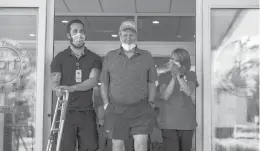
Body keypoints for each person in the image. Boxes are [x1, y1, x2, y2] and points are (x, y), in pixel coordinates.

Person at [100, 20, 158, 151]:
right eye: (125, 34)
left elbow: (151, 82)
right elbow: (104, 82)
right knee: (117, 145)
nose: (128, 38)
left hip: (141, 109)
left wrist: (151, 103)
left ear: (136, 36)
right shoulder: (110, 56)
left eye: (131, 35)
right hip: (116, 109)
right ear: (119, 35)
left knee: (141, 144)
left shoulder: (146, 56)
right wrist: (105, 103)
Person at [50, 19, 102, 151]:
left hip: (87, 112)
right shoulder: (60, 58)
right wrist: (57, 89)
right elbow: (55, 82)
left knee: (90, 148)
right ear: (69, 35)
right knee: (65, 148)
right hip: (66, 113)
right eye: (75, 31)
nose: (79, 34)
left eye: (82, 31)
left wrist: (71, 88)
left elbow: (92, 81)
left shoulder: (94, 58)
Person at [157, 48, 199, 151]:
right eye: (172, 58)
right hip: (168, 123)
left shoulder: (191, 75)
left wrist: (179, 75)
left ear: (183, 62)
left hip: (187, 123)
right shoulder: (163, 76)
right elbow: (165, 95)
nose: (172, 62)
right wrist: (173, 77)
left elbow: (189, 91)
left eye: (176, 60)